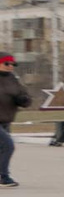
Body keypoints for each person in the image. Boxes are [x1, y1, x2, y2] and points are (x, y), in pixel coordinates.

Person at [0, 53, 28, 187]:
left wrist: (23, 100)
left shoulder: (13, 79)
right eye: (7, 64)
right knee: (8, 146)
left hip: (5, 120)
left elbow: (24, 95)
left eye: (12, 64)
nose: (10, 66)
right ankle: (3, 177)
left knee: (2, 148)